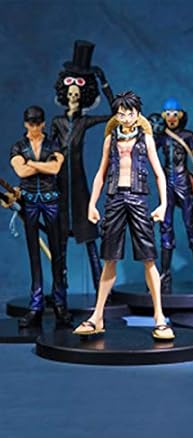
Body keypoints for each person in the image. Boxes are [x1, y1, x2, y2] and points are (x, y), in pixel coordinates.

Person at [73, 91, 174, 339]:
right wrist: (92, 204)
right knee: (109, 258)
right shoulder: (110, 139)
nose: (126, 118)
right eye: (121, 114)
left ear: (137, 114)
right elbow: (100, 173)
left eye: (130, 113)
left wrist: (163, 204)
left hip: (139, 199)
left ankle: (159, 317)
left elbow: (159, 173)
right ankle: (97, 316)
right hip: (115, 199)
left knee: (149, 259)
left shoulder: (146, 138)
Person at [51, 40, 114, 291]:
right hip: (59, 185)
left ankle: (101, 288)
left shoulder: (84, 122)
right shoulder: (57, 123)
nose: (73, 98)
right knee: (59, 239)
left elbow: (115, 114)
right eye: (70, 93)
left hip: (78, 185)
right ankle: (60, 289)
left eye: (77, 94)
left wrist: (105, 83)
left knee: (88, 235)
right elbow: (48, 151)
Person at [10, 106, 71, 328]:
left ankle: (60, 303)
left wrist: (32, 164)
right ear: (25, 123)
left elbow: (55, 168)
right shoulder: (19, 146)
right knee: (34, 255)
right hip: (30, 202)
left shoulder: (53, 144)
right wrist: (41, 166)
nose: (34, 127)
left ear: (43, 123)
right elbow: (21, 172)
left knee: (57, 253)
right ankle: (35, 306)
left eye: (37, 123)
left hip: (51, 200)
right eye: (31, 123)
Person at [153, 97, 193, 294]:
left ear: (181, 115)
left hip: (183, 182)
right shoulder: (160, 136)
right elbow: (149, 153)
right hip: (166, 183)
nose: (171, 118)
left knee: (191, 224)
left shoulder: (188, 135)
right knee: (165, 225)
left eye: (174, 114)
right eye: (168, 114)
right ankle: (165, 274)